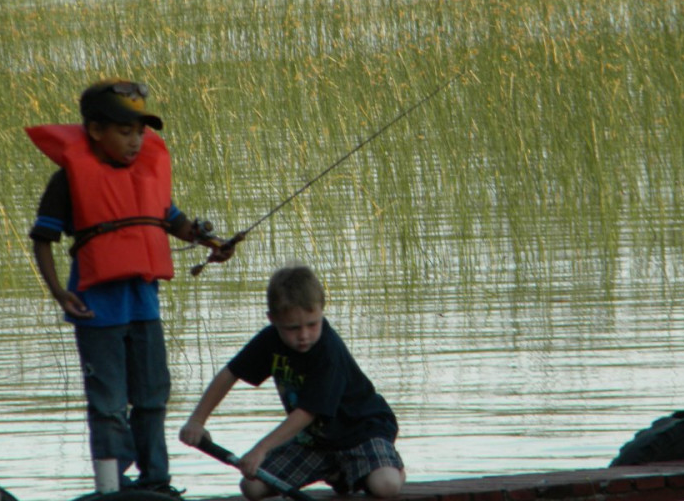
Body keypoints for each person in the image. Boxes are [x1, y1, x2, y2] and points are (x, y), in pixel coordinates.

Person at [27, 78, 234, 497]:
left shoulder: (147, 175)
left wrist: (208, 240)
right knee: (107, 405)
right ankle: (113, 488)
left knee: (153, 395)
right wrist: (57, 291)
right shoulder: (68, 180)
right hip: (96, 310)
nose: (136, 140)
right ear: (95, 131)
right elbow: (42, 239)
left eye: (140, 131)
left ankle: (157, 484)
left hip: (143, 306)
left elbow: (172, 221)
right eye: (125, 131)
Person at [179, 264, 405, 500]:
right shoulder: (269, 340)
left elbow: (307, 412)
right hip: (314, 441)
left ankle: (393, 467)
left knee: (386, 486)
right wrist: (197, 420)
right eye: (293, 328)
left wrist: (260, 449)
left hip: (361, 432)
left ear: (322, 311)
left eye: (312, 324)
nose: (304, 335)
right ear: (272, 319)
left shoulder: (328, 350)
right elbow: (229, 374)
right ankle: (338, 473)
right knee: (252, 487)